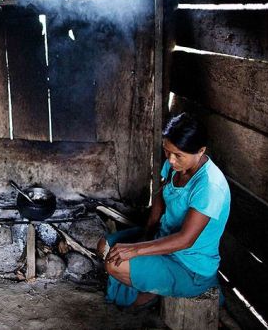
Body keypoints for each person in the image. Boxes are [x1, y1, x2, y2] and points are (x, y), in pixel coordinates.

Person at [96, 112, 230, 311]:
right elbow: (160, 196)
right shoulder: (174, 165)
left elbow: (185, 240)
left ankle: (152, 292)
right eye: (167, 152)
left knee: (113, 264)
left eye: (178, 155)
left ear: (201, 151)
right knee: (104, 246)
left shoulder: (209, 186)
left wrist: (136, 250)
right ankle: (151, 281)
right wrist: (146, 233)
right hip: (163, 237)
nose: (171, 161)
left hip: (189, 265)